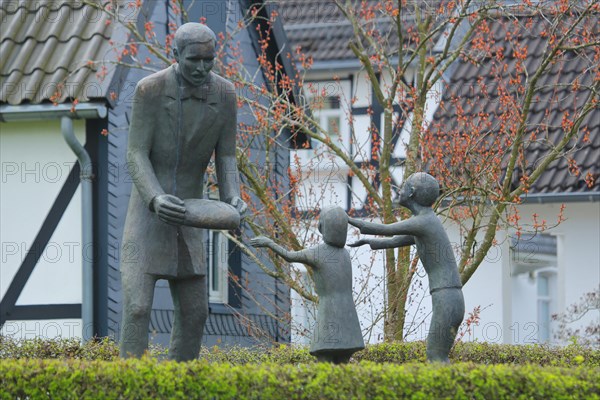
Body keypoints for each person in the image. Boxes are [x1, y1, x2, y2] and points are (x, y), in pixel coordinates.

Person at [120, 23, 247, 361]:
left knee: (195, 313)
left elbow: (228, 156)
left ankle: (181, 385)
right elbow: (135, 154)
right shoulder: (149, 90)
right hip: (149, 214)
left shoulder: (226, 95)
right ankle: (127, 388)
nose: (202, 68)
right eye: (194, 60)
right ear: (175, 55)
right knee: (136, 308)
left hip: (191, 214)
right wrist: (155, 197)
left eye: (210, 60)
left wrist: (231, 197)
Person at [348, 172, 464, 363]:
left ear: (412, 193)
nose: (398, 190)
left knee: (436, 357)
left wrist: (347, 219)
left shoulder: (424, 221)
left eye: (403, 186)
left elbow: (386, 229)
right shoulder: (424, 223)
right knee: (436, 357)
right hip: (447, 296)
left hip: (447, 296)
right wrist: (368, 242)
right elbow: (395, 240)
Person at [250, 206, 365, 364]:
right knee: (344, 365)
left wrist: (269, 243)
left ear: (322, 227)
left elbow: (290, 256)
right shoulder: (345, 255)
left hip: (329, 313)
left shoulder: (319, 252)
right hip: (348, 317)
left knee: (324, 361)